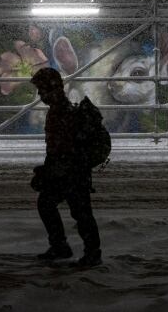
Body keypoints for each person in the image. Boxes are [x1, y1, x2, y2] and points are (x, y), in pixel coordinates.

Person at [30, 67, 102, 266]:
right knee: (76, 211)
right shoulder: (62, 110)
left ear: (51, 89)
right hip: (72, 172)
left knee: (77, 211)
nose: (40, 95)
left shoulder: (61, 113)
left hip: (70, 173)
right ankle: (84, 250)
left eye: (41, 90)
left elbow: (61, 148)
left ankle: (82, 251)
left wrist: (48, 171)